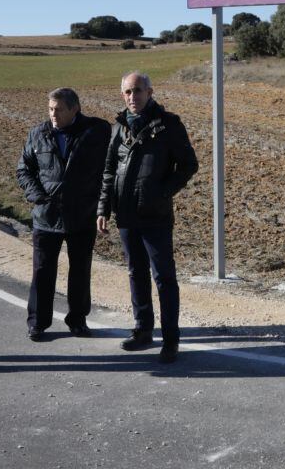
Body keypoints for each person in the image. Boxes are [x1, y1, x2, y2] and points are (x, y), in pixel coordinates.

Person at [97, 71, 198, 363]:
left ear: (150, 92)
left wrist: (162, 192)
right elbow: (108, 171)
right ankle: (142, 331)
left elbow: (189, 164)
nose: (133, 97)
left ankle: (171, 340)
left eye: (138, 91)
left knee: (164, 278)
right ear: (122, 95)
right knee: (135, 273)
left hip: (155, 215)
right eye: (128, 92)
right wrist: (103, 208)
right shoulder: (118, 127)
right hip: (125, 214)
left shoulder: (169, 125)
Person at [16, 88, 111, 341]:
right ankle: (37, 322)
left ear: (74, 109)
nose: (53, 114)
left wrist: (102, 206)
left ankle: (78, 320)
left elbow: (108, 168)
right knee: (42, 271)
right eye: (50, 109)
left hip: (82, 215)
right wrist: (37, 195)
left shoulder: (96, 132)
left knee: (80, 272)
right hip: (46, 216)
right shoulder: (38, 134)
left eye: (58, 109)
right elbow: (24, 170)